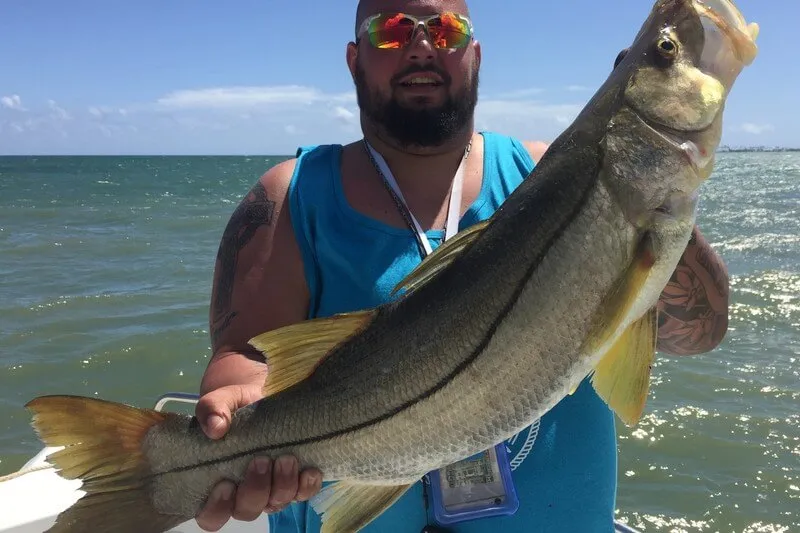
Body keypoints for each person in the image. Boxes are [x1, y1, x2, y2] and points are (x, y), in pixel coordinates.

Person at [193, 1, 731, 531]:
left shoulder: (545, 173)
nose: (422, 45)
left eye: (446, 29)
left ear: (475, 54)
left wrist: (636, 204)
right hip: (321, 478)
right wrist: (234, 409)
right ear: (354, 60)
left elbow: (696, 334)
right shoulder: (290, 197)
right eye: (392, 30)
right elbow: (246, 355)